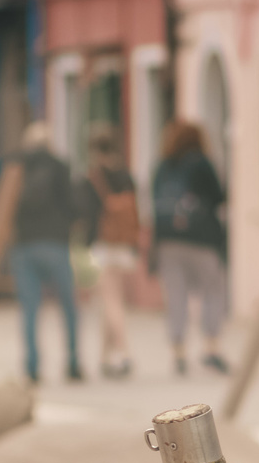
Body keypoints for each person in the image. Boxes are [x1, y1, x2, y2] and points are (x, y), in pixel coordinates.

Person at [3, 121, 82, 383]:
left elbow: (6, 204)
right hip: (55, 242)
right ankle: (72, 362)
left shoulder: (16, 165)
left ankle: (32, 366)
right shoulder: (59, 165)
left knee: (30, 308)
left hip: (24, 244)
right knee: (68, 305)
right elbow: (72, 204)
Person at [151, 122, 228, 375]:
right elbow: (219, 197)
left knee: (176, 296)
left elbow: (153, 199)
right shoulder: (201, 162)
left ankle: (178, 353)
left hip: (168, 240)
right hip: (201, 238)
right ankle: (211, 348)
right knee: (213, 289)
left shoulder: (163, 165)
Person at [82, 127, 146, 378]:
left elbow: (87, 214)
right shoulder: (126, 175)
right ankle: (105, 357)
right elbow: (135, 210)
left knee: (111, 301)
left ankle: (124, 351)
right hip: (124, 245)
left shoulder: (94, 177)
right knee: (110, 300)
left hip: (104, 245)